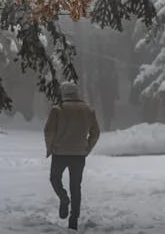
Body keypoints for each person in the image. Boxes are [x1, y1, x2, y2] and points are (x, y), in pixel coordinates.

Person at [44, 82, 100, 231]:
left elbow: (48, 131)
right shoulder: (88, 110)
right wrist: (87, 148)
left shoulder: (57, 109)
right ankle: (74, 219)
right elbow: (95, 133)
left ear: (63, 93)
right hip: (79, 154)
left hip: (59, 153)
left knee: (54, 178)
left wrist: (50, 148)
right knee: (76, 187)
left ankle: (63, 197)